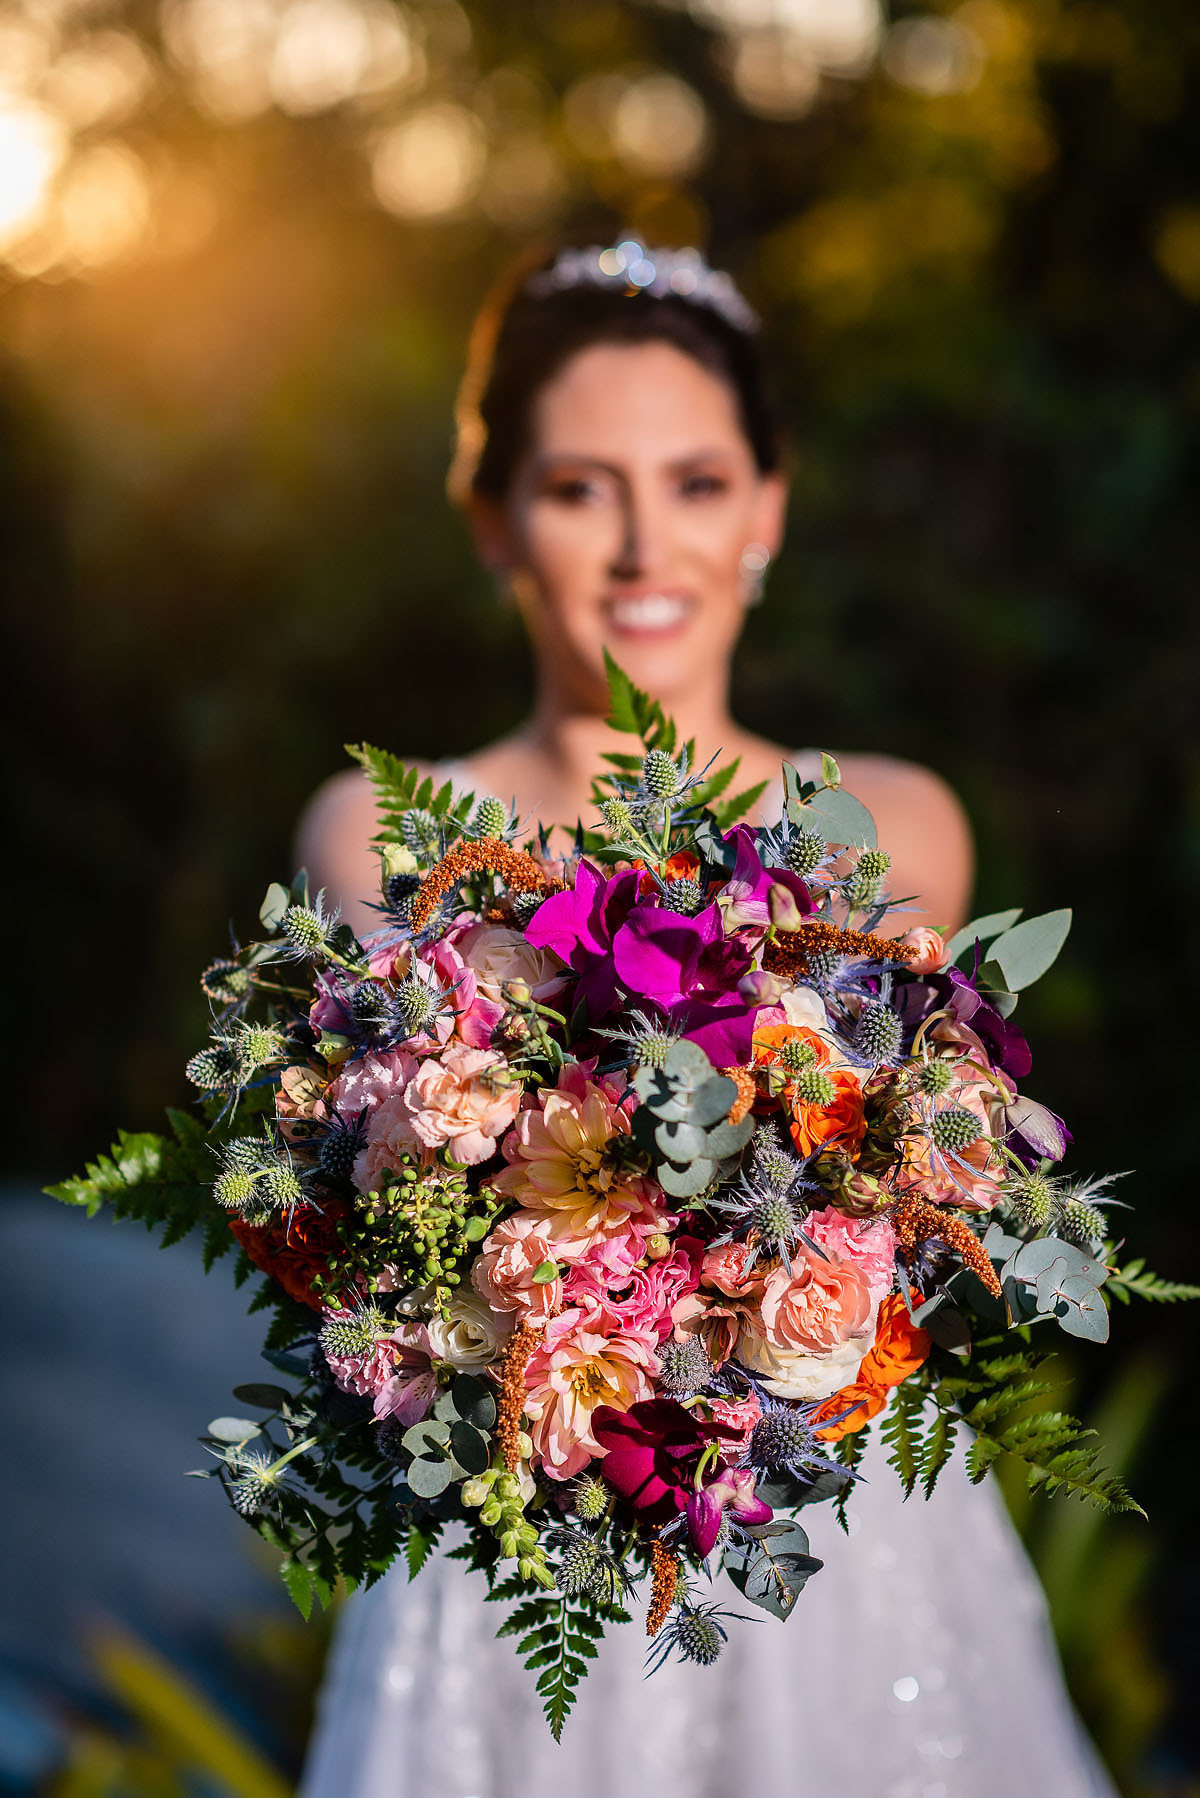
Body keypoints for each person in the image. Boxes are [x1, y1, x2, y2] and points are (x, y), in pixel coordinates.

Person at [296, 239, 1116, 1798]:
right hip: (527, 1540)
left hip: (839, 1541)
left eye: (694, 479)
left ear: (768, 509)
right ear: (492, 518)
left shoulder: (891, 824)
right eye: (578, 485)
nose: (641, 544)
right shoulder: (376, 833)